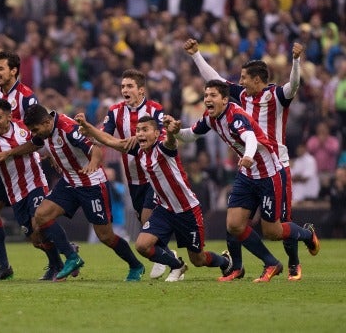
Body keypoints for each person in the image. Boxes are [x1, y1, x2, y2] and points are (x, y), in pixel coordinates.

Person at [165, 80, 320, 283]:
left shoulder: (234, 116)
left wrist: (247, 156)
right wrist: (175, 130)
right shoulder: (211, 118)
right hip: (247, 175)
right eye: (206, 95)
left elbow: (251, 139)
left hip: (268, 173)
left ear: (224, 99)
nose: (208, 100)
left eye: (212, 95)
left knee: (272, 231)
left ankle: (307, 235)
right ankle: (270, 263)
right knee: (234, 225)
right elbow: (189, 136)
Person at [184, 39, 307, 281]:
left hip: (276, 164)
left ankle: (295, 258)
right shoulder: (241, 95)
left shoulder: (276, 95)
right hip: (249, 167)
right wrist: (197, 54)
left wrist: (296, 60)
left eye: (244, 78)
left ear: (257, 80)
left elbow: (293, 86)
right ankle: (239, 267)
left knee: (278, 226)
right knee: (235, 222)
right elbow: (216, 80)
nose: (239, 82)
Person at [0, 104, 145, 281]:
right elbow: (34, 144)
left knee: (105, 236)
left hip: (91, 184)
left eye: (36, 129)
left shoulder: (68, 129)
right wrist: (10, 153)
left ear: (47, 122)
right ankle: (72, 257)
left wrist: (93, 164)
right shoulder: (45, 130)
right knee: (41, 215)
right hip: (70, 182)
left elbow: (95, 149)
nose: (35, 133)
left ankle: (135, 265)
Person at [76, 113, 232, 282]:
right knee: (142, 245)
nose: (140, 134)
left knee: (198, 259)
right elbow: (110, 141)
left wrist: (172, 132)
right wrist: (88, 126)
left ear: (157, 133)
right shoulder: (139, 150)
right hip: (165, 209)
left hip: (187, 210)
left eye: (145, 130)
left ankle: (225, 261)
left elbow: (171, 142)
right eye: (138, 130)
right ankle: (177, 265)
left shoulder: (164, 148)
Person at [0, 99, 76, 281]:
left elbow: (42, 140)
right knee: (35, 238)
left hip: (34, 182)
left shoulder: (24, 128)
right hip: (13, 190)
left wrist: (52, 156)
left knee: (39, 222)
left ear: (9, 116)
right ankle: (63, 253)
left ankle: (59, 264)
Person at [99, 68, 170, 279]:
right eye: (122, 86)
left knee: (148, 219)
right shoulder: (115, 111)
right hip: (132, 177)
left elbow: (163, 137)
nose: (124, 90)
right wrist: (121, 144)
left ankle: (162, 260)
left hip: (153, 174)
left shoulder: (156, 110)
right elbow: (104, 138)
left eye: (129, 86)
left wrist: (139, 141)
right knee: (143, 220)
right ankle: (171, 257)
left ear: (141, 90)